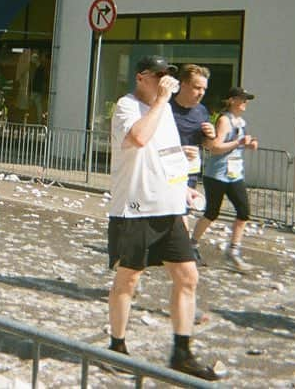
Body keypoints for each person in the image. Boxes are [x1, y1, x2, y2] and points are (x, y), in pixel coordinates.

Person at [106, 55, 223, 381]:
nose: (165, 81)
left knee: (188, 277)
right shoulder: (127, 106)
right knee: (128, 279)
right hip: (135, 208)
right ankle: (116, 346)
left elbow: (169, 152)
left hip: (169, 207)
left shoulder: (165, 110)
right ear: (142, 77)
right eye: (159, 75)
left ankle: (181, 352)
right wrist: (160, 101)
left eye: (168, 75)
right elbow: (138, 139)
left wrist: (182, 186)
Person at [190, 87, 259, 272]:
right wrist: (239, 143)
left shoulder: (241, 121)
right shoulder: (224, 120)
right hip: (217, 174)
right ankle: (192, 244)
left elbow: (237, 145)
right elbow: (215, 147)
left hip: (234, 174)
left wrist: (249, 145)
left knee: (244, 212)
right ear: (232, 100)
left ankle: (233, 251)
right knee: (211, 213)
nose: (246, 103)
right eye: (242, 99)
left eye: (247, 99)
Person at [170, 65, 216, 236]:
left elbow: (208, 146)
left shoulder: (201, 111)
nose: (201, 92)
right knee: (168, 212)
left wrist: (211, 136)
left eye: (204, 88)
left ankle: (183, 252)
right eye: (197, 87)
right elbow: (150, 142)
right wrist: (178, 151)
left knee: (183, 211)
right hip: (166, 171)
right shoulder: (166, 107)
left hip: (189, 171)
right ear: (183, 85)